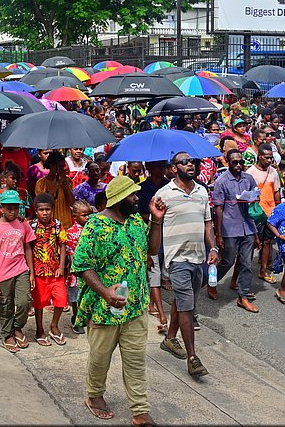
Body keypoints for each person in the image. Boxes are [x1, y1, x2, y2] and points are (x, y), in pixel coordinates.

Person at [72, 176, 164, 426]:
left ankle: (140, 408)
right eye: (133, 195)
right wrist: (105, 293)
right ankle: (94, 395)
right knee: (100, 357)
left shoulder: (136, 221)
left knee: (136, 359)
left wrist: (156, 220)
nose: (138, 199)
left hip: (135, 306)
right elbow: (82, 265)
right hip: (105, 309)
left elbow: (151, 251)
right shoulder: (95, 225)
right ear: (120, 198)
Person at [156, 152, 217, 377]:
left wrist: (213, 248)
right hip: (177, 259)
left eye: (192, 162)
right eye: (184, 162)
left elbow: (208, 223)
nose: (190, 165)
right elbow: (154, 224)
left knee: (184, 300)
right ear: (173, 168)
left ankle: (170, 339)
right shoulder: (164, 194)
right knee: (187, 306)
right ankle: (192, 357)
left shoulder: (202, 191)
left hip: (198, 257)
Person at [0, 189, 36, 353]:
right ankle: (7, 333)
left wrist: (31, 272)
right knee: (5, 305)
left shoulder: (23, 224)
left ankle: (18, 327)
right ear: (2, 208)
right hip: (2, 273)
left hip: (21, 270)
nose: (12, 211)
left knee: (24, 302)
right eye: (8, 208)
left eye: (15, 207)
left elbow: (27, 248)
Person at [211, 149, 259, 311]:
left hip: (248, 226)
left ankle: (243, 295)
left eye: (241, 162)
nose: (239, 165)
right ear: (227, 162)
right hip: (230, 227)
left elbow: (256, 196)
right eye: (235, 162)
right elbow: (218, 209)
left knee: (246, 263)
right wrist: (218, 234)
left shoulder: (249, 178)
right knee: (227, 261)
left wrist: (253, 198)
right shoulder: (222, 181)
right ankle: (211, 282)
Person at [30, 192, 68, 346]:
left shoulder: (58, 226)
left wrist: (61, 266)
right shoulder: (31, 226)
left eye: (48, 209)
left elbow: (63, 245)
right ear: (36, 210)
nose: (45, 213)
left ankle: (54, 326)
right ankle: (39, 329)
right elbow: (28, 249)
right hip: (39, 272)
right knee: (39, 302)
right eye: (41, 210)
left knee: (61, 300)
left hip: (55, 271)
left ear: (52, 209)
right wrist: (31, 273)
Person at [137, 161, 170, 325]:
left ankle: (151, 302)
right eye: (157, 166)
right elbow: (138, 214)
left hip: (168, 230)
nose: (161, 169)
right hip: (148, 230)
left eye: (162, 166)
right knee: (154, 266)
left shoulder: (168, 185)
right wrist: (154, 216)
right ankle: (159, 309)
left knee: (163, 264)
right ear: (149, 168)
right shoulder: (142, 188)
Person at [246, 144, 282, 285]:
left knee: (267, 242)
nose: (269, 161)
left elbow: (277, 192)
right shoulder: (250, 173)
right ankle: (244, 271)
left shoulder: (273, 172)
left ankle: (263, 270)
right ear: (259, 156)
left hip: (270, 213)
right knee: (252, 243)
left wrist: (279, 211)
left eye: (271, 158)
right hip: (255, 214)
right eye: (266, 158)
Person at [65, 200, 91, 334]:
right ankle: (76, 318)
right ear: (75, 216)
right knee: (75, 296)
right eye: (84, 215)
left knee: (87, 293)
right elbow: (69, 254)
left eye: (88, 215)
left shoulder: (91, 230)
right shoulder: (70, 233)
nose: (87, 218)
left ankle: (85, 316)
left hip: (90, 268)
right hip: (76, 270)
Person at [35, 151, 75, 228]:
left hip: (65, 223)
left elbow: (72, 203)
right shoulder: (41, 183)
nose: (62, 169)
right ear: (51, 166)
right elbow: (43, 203)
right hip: (48, 224)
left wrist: (64, 183)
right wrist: (53, 189)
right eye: (59, 167)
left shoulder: (68, 181)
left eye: (63, 166)